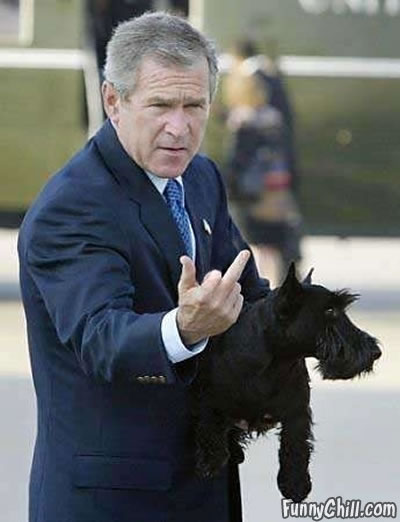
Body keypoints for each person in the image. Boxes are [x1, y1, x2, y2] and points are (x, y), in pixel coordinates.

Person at [18, 13, 270, 522]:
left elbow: (249, 294)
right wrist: (183, 329)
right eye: (160, 105)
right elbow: (101, 338)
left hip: (203, 490)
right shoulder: (73, 205)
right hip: (112, 501)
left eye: (194, 106)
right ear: (113, 102)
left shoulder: (200, 177)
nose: (179, 127)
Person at [221, 40, 302, 283]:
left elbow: (238, 159)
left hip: (254, 189)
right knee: (276, 243)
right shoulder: (274, 116)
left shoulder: (245, 120)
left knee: (259, 244)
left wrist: (228, 184)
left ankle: (267, 289)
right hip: (277, 185)